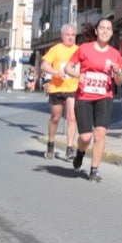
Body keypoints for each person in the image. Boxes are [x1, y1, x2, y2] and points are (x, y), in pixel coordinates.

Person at [70, 18, 122, 181]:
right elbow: (68, 67)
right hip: (85, 95)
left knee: (100, 133)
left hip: (105, 96)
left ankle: (94, 169)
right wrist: (78, 75)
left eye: (108, 29)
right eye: (102, 28)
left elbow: (119, 81)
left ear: (112, 32)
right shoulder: (84, 49)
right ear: (96, 31)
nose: (105, 31)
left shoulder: (115, 54)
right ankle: (80, 152)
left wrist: (118, 72)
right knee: (86, 137)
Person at [40, 24, 81, 162]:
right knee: (56, 117)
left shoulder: (78, 50)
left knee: (71, 117)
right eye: (68, 35)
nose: (70, 37)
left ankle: (69, 149)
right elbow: (44, 65)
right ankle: (51, 143)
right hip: (57, 87)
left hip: (72, 88)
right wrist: (56, 72)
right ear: (62, 36)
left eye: (73, 35)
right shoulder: (56, 49)